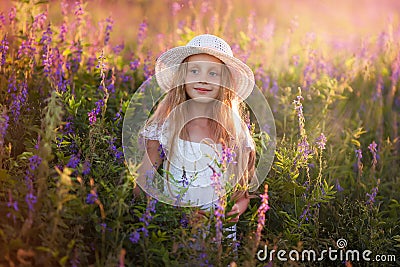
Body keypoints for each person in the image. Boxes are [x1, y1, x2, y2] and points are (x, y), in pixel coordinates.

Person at [134, 34, 256, 228]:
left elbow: (242, 194)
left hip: (218, 230)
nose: (203, 80)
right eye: (195, 71)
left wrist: (235, 210)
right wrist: (170, 213)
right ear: (182, 77)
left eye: (213, 73)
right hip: (176, 227)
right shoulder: (166, 125)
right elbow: (143, 183)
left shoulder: (234, 132)